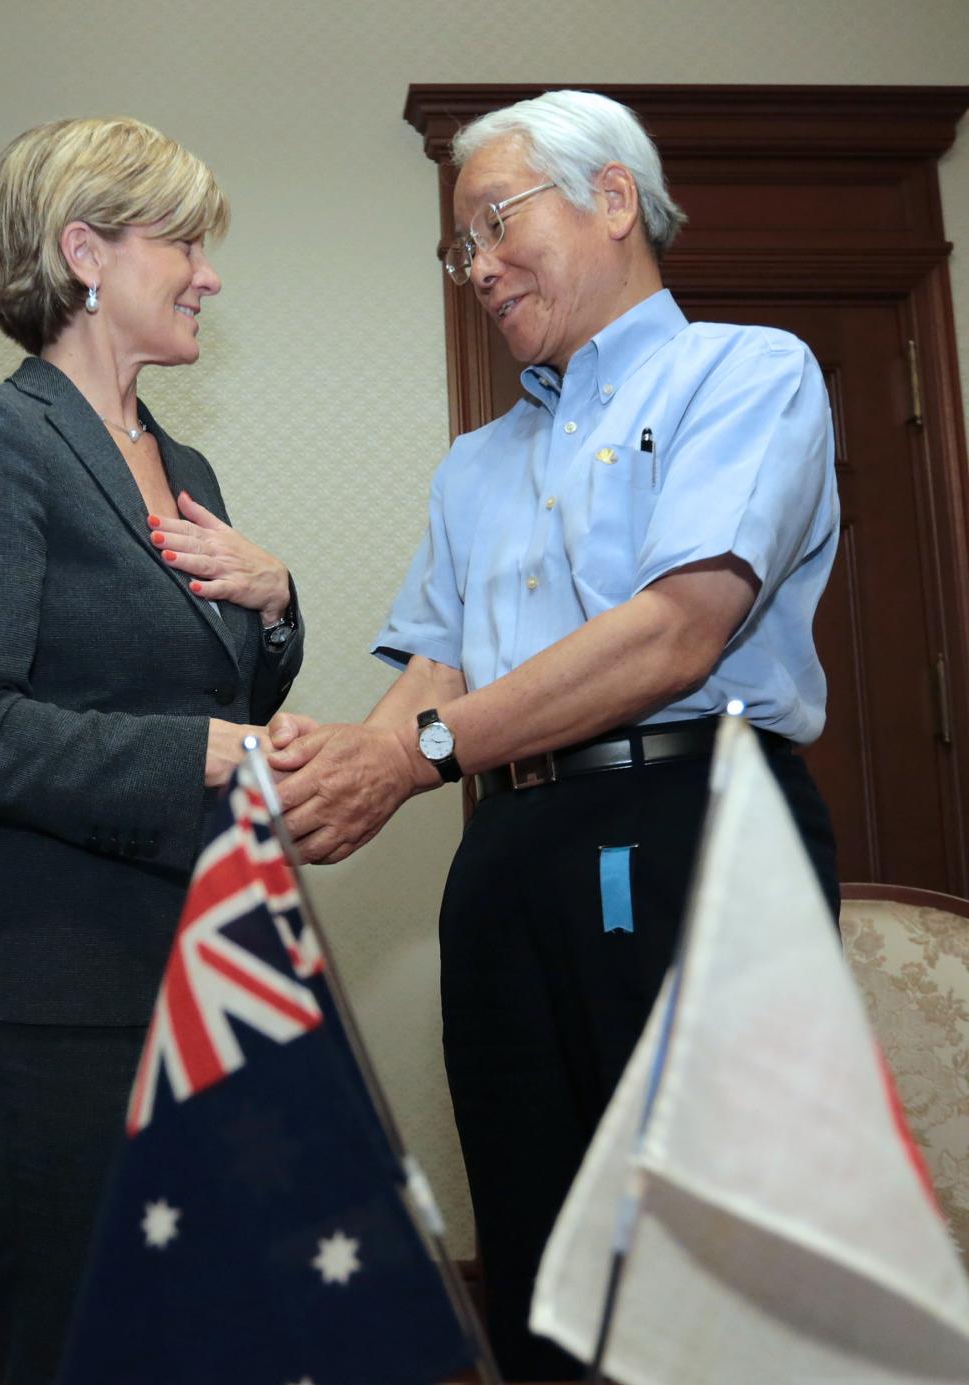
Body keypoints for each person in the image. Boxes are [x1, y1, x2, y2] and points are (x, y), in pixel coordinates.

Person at [270, 89, 839, 1380]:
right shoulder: (476, 462)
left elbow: (676, 632)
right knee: (540, 1257)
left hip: (695, 826)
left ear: (615, 198)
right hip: (507, 852)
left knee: (706, 1261)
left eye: (493, 223)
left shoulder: (748, 373)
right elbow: (437, 673)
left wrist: (411, 757)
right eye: (458, 247)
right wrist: (317, 785)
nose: (476, 266)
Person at [0, 117, 302, 1385]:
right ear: (83, 250)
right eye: (183, 240)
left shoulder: (185, 462)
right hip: (68, 994)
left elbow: (226, 681)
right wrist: (200, 749)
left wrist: (277, 601)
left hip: (219, 963)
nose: (209, 271)